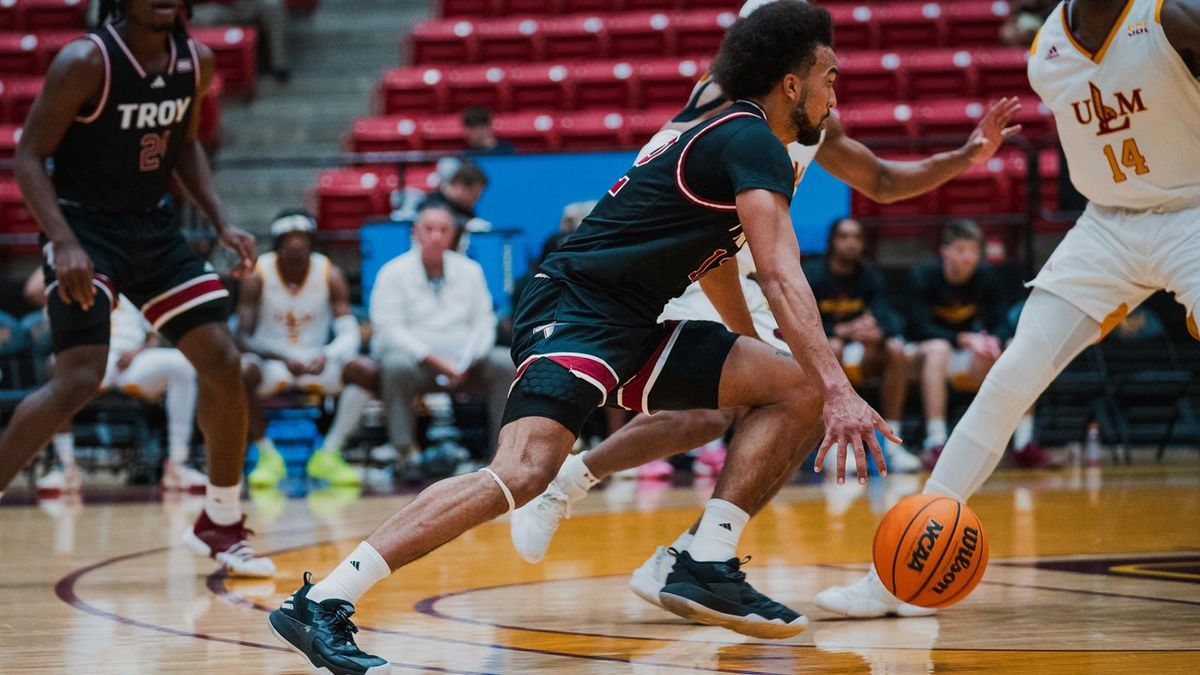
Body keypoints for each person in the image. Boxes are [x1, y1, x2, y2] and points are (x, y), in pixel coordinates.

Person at [270, 4, 901, 670]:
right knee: (522, 468)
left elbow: (720, 261)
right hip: (576, 306)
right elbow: (778, 272)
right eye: (831, 75)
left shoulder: (744, 143)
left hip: (633, 318)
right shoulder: (749, 139)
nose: (838, 93)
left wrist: (772, 365)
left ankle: (705, 558)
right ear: (793, 85)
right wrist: (841, 389)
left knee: (790, 386)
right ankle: (326, 600)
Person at [507, 0, 1019, 600]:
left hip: (751, 274)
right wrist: (748, 335)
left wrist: (965, 157)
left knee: (795, 409)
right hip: (690, 267)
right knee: (726, 408)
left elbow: (880, 180)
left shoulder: (808, 116)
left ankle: (695, 552)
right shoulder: (727, 109)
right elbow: (713, 240)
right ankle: (573, 486)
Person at [815, 0, 1200, 618]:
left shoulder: (1172, 17)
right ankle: (893, 579)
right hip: (1106, 228)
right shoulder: (1047, 49)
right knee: (1010, 377)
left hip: (1193, 211)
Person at [0, 0, 272, 577]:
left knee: (222, 360)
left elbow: (187, 145)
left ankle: (220, 522)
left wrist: (221, 221)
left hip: (153, 230)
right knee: (78, 377)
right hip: (85, 229)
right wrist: (63, 242)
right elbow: (28, 157)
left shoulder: (194, 61)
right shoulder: (85, 61)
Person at [238, 210, 375, 488]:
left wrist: (326, 355)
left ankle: (329, 453)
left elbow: (349, 332)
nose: (297, 243)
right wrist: (282, 357)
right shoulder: (257, 274)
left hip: (316, 360)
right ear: (277, 242)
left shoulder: (329, 272)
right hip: (273, 363)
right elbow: (242, 337)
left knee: (366, 369)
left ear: (312, 240)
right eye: (290, 238)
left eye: (302, 237)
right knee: (241, 370)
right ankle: (265, 454)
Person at [369, 206, 514, 466]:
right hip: (418, 364)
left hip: (467, 363)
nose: (436, 236)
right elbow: (389, 329)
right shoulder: (392, 273)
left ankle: (502, 454)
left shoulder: (470, 271)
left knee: (505, 363)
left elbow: (484, 322)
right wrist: (433, 360)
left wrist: (468, 359)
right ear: (415, 233)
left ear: (453, 235)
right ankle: (405, 454)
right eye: (429, 229)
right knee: (394, 365)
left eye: (443, 230)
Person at [35, 291, 206, 495]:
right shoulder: (75, 285)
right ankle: (66, 467)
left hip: (132, 362)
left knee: (181, 364)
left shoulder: (135, 285)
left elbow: (153, 338)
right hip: (92, 361)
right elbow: (37, 295)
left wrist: (137, 352)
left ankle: (178, 464)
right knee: (58, 364)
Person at [804, 217, 917, 471]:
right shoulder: (813, 274)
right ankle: (833, 443)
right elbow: (800, 323)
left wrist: (877, 329)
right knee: (832, 347)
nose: (850, 243)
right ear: (832, 242)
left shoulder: (870, 275)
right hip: (823, 353)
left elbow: (893, 319)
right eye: (844, 237)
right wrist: (840, 330)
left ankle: (892, 442)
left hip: (860, 353)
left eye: (856, 237)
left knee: (896, 351)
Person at [905, 219, 1004, 462]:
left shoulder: (987, 277)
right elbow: (917, 327)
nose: (968, 257)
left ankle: (1018, 441)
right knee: (939, 349)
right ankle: (936, 440)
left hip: (964, 354)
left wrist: (994, 340)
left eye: (973, 251)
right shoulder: (922, 275)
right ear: (944, 251)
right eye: (961, 250)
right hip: (921, 351)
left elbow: (1002, 321)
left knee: (1009, 349)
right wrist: (961, 338)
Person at [191, 0, 290, 82]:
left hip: (246, 5)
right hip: (213, 6)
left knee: (273, 6)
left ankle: (278, 64)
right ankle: (199, 70)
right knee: (192, 18)